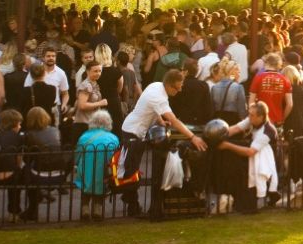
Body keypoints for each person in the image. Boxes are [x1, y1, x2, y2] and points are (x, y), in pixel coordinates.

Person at [120, 69, 206, 216]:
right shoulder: (159, 97)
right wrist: (193, 137)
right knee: (131, 171)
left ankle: (131, 202)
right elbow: (174, 120)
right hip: (133, 132)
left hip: (133, 129)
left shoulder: (155, 85)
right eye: (177, 87)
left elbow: (151, 109)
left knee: (132, 170)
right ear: (169, 85)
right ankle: (132, 206)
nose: (179, 91)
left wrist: (160, 120)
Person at [75, 110, 120, 223]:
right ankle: (97, 209)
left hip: (85, 168)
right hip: (104, 170)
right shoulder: (113, 138)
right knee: (100, 186)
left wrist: (76, 164)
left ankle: (85, 209)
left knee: (85, 185)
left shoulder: (84, 137)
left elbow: (78, 155)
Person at [249, 53, 292, 129]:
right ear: (279, 65)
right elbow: (290, 104)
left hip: (260, 119)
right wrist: (282, 118)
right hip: (277, 120)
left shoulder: (258, 78)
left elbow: (251, 102)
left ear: (266, 63)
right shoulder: (285, 80)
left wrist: (252, 117)